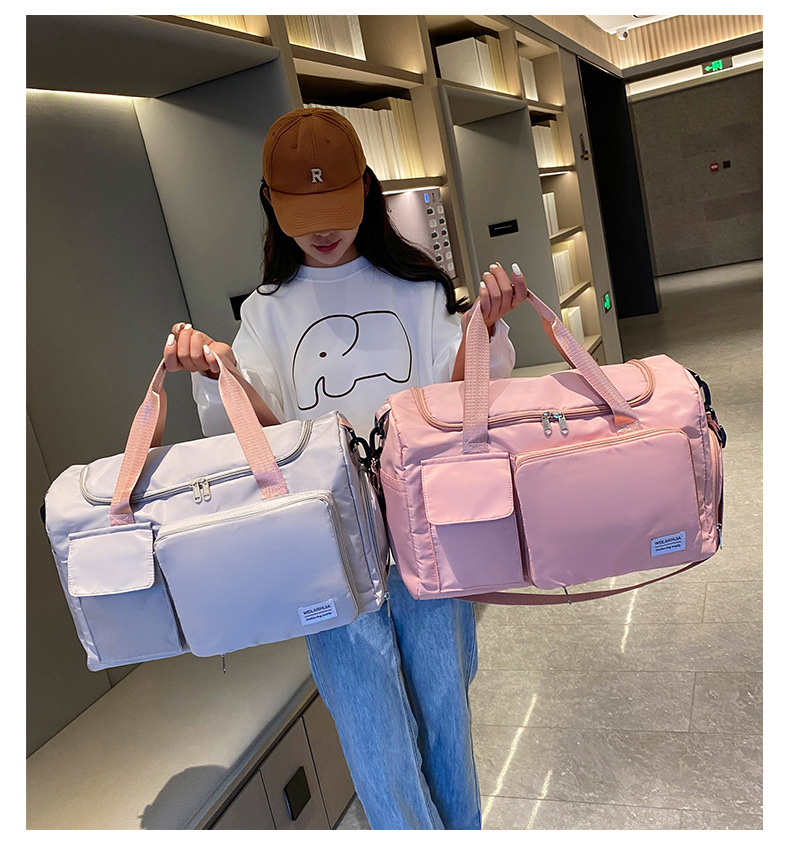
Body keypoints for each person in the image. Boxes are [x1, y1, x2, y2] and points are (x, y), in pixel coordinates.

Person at [163, 107, 528, 830]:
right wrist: (221, 371)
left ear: (365, 189)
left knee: (445, 717)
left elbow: (458, 402)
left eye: (337, 207)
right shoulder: (267, 312)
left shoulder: (419, 288)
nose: (324, 231)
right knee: (374, 737)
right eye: (305, 215)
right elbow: (270, 440)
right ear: (271, 205)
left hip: (426, 530)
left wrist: (482, 327)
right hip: (326, 544)